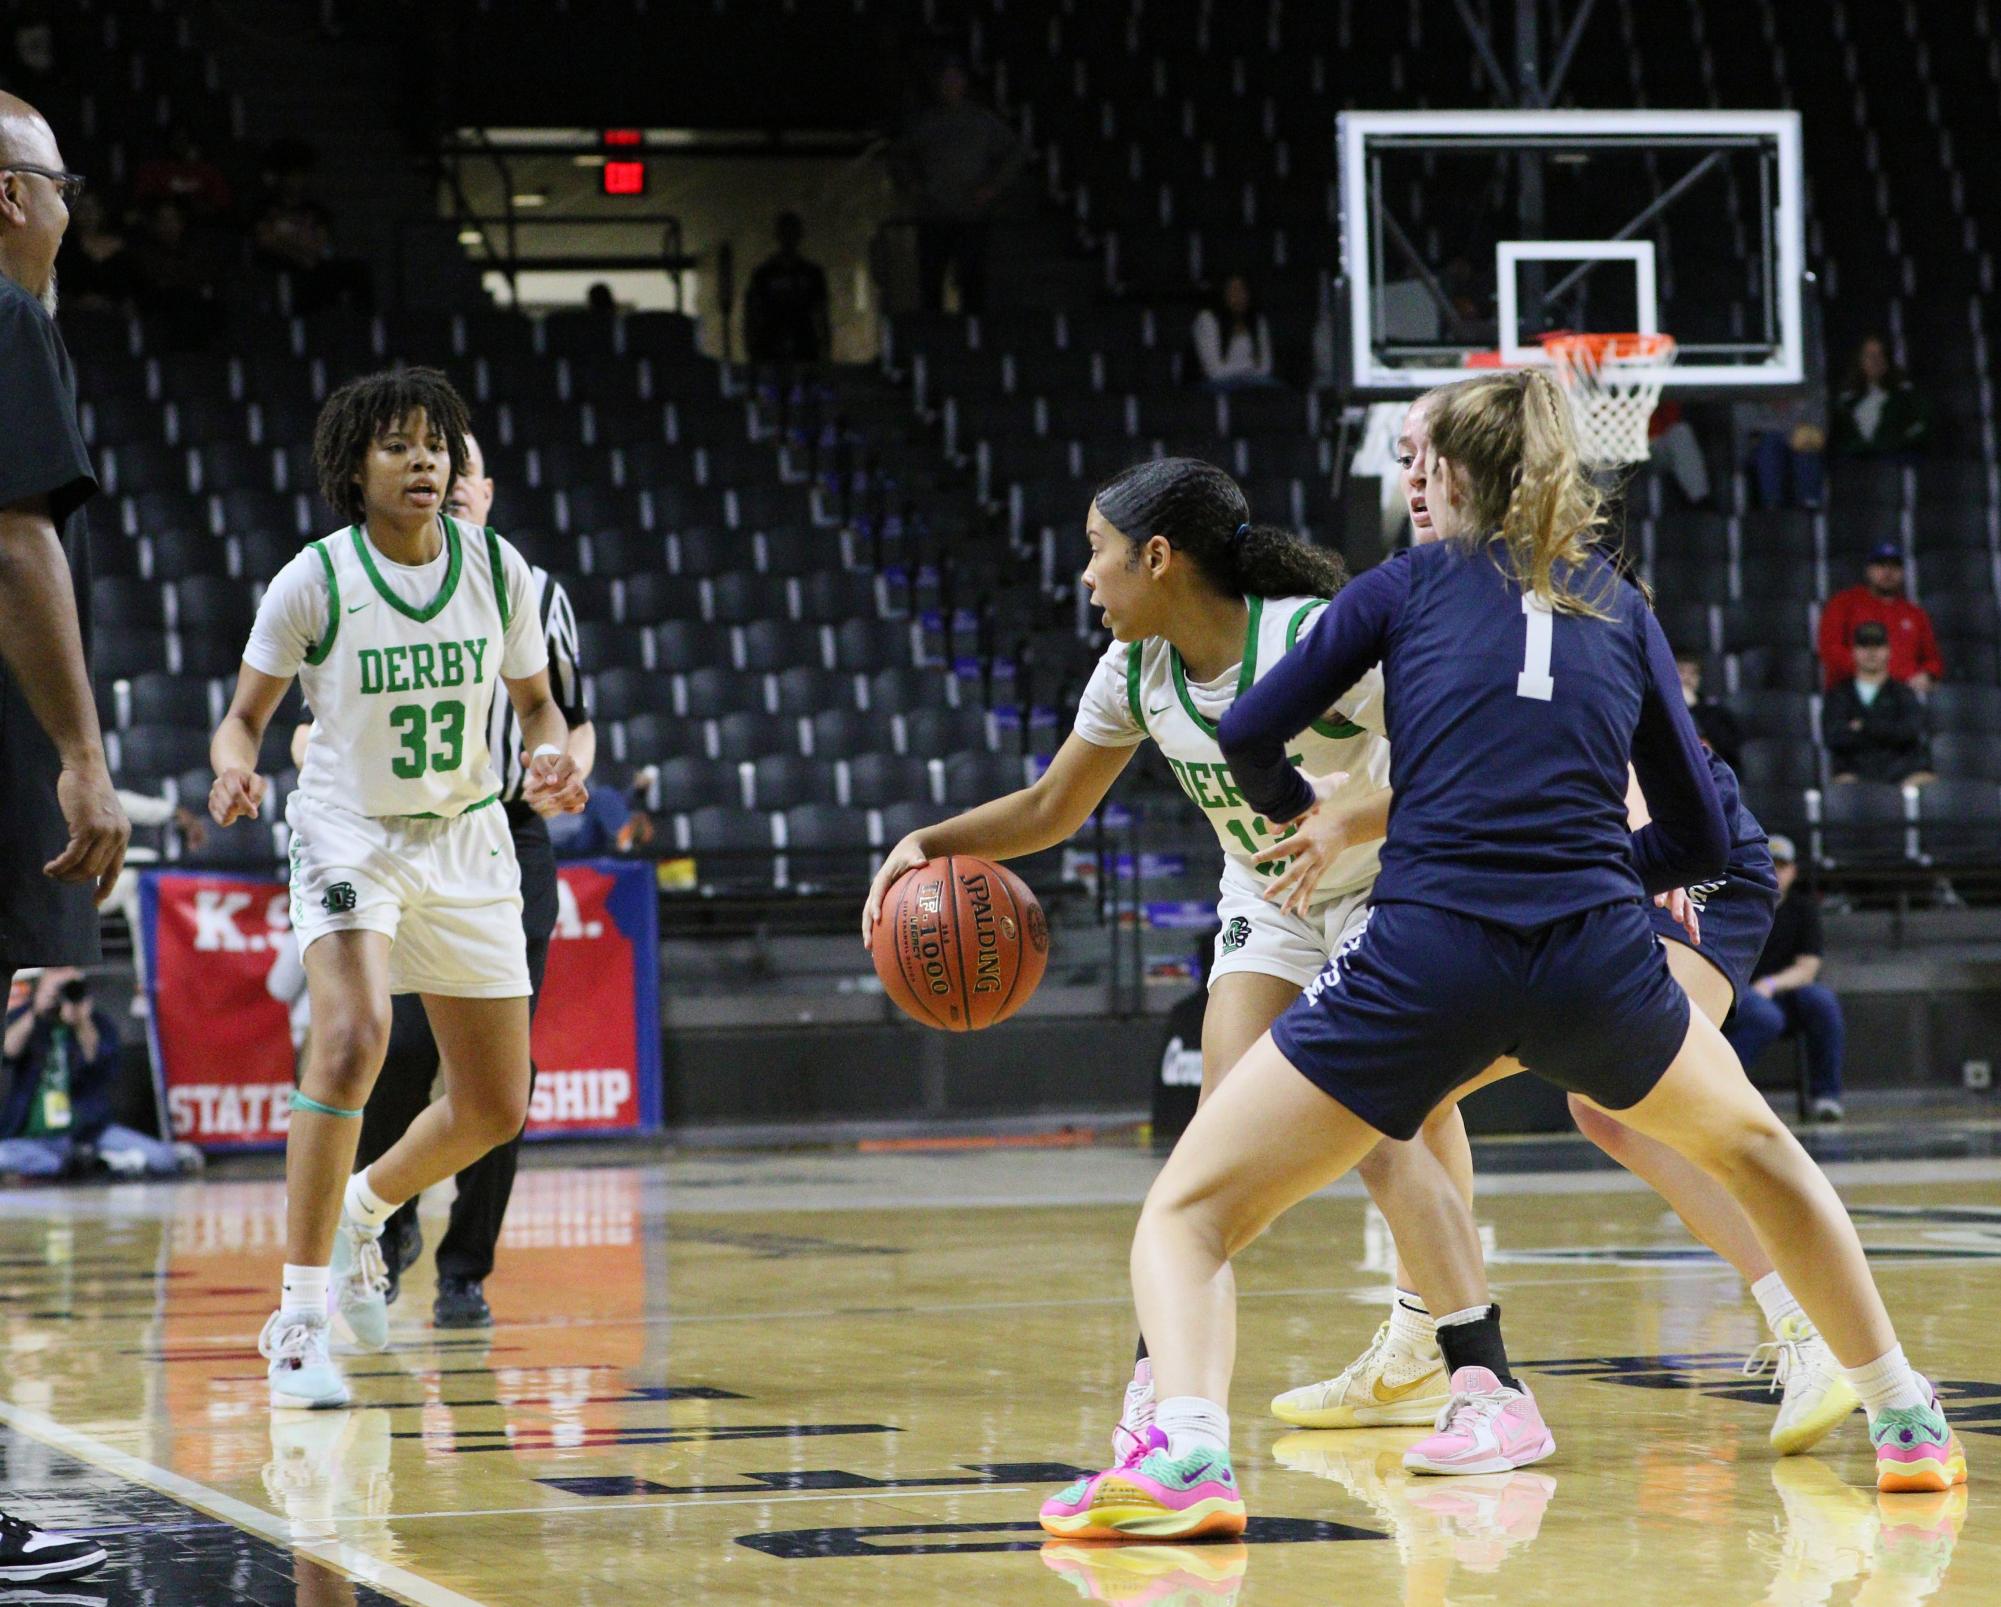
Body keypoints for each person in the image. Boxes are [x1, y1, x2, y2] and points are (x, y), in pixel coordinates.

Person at [1040, 368, 1965, 1542]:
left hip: (1428, 954)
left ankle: (1189, 1454)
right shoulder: (1618, 606)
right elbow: (1691, 833)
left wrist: (1288, 806)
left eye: (1424, 462)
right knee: (1767, 1153)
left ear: (1458, 477)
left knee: (1187, 1209)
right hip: (1594, 956)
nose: (1411, 477)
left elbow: (1248, 728)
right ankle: (1905, 1418)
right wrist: (1586, 876)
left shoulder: (1401, 586)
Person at [863, 455, 1489, 1477]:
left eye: (1097, 552)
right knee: (1216, 1146)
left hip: (1393, 881)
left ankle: (1458, 1356)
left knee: (1384, 1117)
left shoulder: (1310, 635)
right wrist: (928, 844)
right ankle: (1170, 1392)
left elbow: (1453, 761)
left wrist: (1354, 819)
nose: (1085, 575)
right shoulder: (1137, 668)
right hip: (1271, 891)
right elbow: (1051, 808)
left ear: (1158, 557)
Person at [208, 367, 586, 1412]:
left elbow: (539, 703)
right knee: (354, 1034)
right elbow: (245, 715)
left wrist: (551, 755)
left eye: (437, 443)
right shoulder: (314, 581)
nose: (424, 461)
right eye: (399, 445)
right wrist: (235, 763)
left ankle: (364, 1212)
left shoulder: (498, 571)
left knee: (496, 1105)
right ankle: (294, 1324)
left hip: (466, 838)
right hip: (348, 831)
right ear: (352, 468)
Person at [344, 428, 593, 1328]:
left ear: (483, 490)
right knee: (403, 1048)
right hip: (399, 839)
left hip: (505, 837)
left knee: (499, 1073)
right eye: (420, 463)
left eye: (459, 469)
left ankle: (465, 1271)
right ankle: (383, 1218)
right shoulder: (356, 582)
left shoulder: (530, 587)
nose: (440, 479)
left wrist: (559, 763)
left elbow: (566, 713)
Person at [0, 87, 121, 1586]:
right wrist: (83, 754)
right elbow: (18, 536)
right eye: (57, 177)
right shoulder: (7, 322)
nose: (73, 198)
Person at [0, 966, 195, 1177]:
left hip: (88, 1132)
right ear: (39, 991)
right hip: (33, 1136)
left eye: (71, 988)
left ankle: (87, 1162)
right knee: (5, 1156)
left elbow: (98, 1061)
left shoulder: (98, 1023)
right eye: (56, 989)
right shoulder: (26, 1018)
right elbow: (8, 1051)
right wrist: (36, 1011)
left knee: (163, 1160)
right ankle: (93, 1164)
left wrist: (81, 1021)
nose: (63, 994)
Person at [1725, 835, 1846, 1122]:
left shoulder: (1803, 910)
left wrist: (1770, 985)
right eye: (1769, 864)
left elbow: (1807, 968)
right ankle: (1720, 1092)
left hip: (1780, 992)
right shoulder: (1739, 905)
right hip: (1739, 994)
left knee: (1822, 1002)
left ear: (1793, 871)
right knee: (1765, 1016)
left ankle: (1826, 1097)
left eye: (1782, 865)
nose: (1775, 872)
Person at [889, 60, 1025, 315]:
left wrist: (993, 187)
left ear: (964, 84)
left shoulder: (981, 121)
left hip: (971, 213)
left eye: (955, 80)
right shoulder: (926, 122)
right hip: (934, 212)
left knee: (972, 281)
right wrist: (913, 185)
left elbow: (1015, 151)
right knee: (931, 281)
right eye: (945, 81)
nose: (950, 86)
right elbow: (898, 154)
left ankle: (972, 337)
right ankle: (933, 338)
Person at [1817, 544, 1942, 691]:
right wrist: (1878, 674)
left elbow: (1933, 660)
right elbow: (1830, 651)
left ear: (1902, 572)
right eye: (1881, 565)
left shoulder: (1915, 614)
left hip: (1902, 695)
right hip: (1852, 693)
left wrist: (1927, 675)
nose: (1888, 572)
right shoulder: (1843, 603)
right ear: (1868, 570)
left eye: (1895, 566)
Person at [1824, 621, 1932, 784]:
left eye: (1877, 646)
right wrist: (1887, 729)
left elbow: (1910, 732)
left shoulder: (1903, 694)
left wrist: (1863, 726)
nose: (1871, 652)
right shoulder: (1839, 695)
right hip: (1855, 774)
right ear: (1853, 651)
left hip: (1901, 774)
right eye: (1864, 646)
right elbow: (1835, 737)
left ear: (1888, 651)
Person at [744, 211, 830, 367]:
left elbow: (821, 311)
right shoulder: (764, 274)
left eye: (791, 232)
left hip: (803, 343)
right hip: (772, 345)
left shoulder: (811, 273)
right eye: (785, 233)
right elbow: (753, 313)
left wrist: (825, 349)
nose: (788, 238)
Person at [1831, 334, 1932, 458]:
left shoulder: (1906, 396)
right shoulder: (1846, 401)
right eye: (1869, 356)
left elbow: (1922, 428)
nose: (1875, 361)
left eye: (1880, 355)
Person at [51, 190, 136, 313]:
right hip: (75, 317)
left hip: (116, 317)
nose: (88, 215)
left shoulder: (122, 248)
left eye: (92, 208)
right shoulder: (66, 249)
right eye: (83, 209)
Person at [1190, 274, 1276, 391]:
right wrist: (1249, 365)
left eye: (1242, 290)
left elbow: (1266, 367)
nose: (1238, 296)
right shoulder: (1207, 319)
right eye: (1232, 291)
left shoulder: (1258, 321)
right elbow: (1214, 372)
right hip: (1215, 385)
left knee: (1275, 390)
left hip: (1254, 382)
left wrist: (1237, 369)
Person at [1676, 649, 1742, 770]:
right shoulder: (1657, 710)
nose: (1687, 678)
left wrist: (1692, 707)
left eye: (1693, 673)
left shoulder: (1714, 712)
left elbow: (1722, 751)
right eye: (1681, 671)